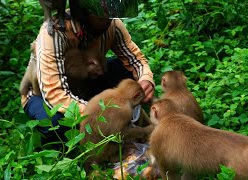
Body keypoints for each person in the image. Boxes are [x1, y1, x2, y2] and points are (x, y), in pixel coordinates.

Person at [20, 0, 155, 144]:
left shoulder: (112, 25)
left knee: (124, 70)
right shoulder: (55, 34)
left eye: (110, 13)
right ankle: (63, 150)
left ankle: (128, 128)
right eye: (101, 15)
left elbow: (136, 60)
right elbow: (55, 94)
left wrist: (146, 80)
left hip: (85, 84)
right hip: (44, 94)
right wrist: (101, 115)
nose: (108, 19)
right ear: (84, 11)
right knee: (54, 124)